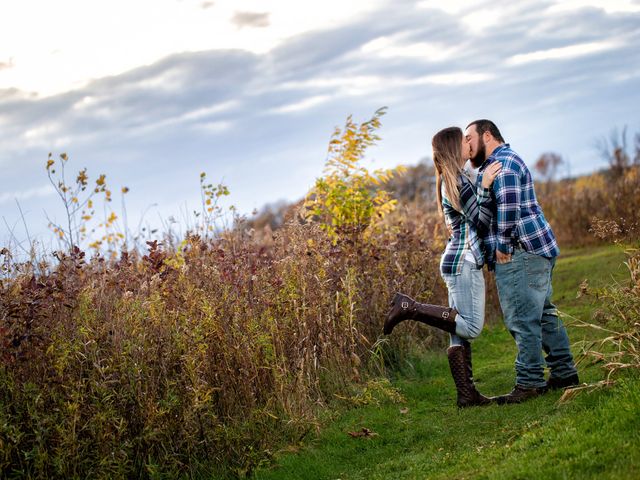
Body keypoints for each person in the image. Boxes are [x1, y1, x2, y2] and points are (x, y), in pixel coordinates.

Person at [383, 126, 501, 408]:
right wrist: (484, 188)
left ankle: (466, 394)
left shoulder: (457, 178)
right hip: (463, 260)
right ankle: (409, 307)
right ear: (453, 147)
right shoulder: (456, 182)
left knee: (457, 331)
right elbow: (481, 221)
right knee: (470, 328)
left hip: (457, 259)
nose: (467, 143)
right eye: (463, 140)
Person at [464, 119, 579, 404]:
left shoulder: (502, 164)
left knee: (522, 318)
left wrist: (503, 244)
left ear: (486, 135)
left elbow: (509, 207)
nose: (465, 145)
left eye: (469, 138)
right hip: (533, 249)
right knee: (543, 314)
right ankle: (564, 373)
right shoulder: (500, 162)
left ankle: (529, 382)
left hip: (519, 251)